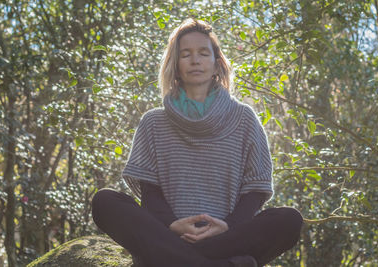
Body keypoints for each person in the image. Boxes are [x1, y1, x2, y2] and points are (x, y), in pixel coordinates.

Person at [92, 18, 303, 267]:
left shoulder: (244, 119)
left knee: (289, 220)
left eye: (203, 53)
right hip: (169, 234)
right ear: (176, 65)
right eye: (186, 54)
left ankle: (178, 260)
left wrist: (227, 226)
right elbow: (149, 191)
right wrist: (172, 225)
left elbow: (255, 191)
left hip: (224, 238)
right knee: (104, 202)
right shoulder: (153, 122)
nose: (195, 60)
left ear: (217, 64)